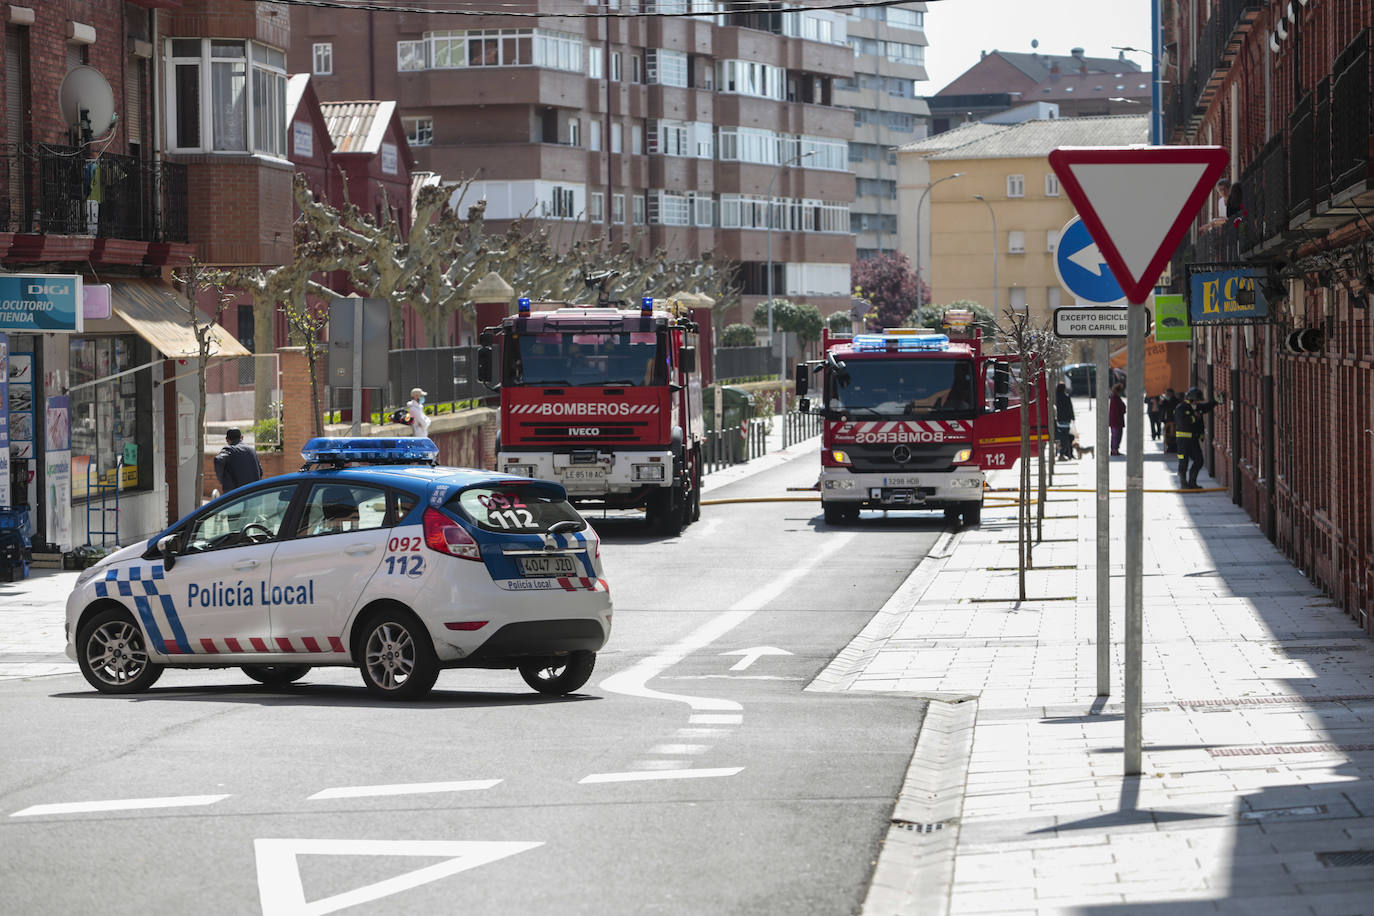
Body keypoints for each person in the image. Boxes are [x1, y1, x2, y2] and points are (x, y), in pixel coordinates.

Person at [1175, 387, 1224, 489]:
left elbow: (1206, 407)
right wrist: (1194, 418)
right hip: (1182, 441)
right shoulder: (1181, 408)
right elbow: (1182, 421)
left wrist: (1216, 401)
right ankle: (1184, 484)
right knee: (1183, 462)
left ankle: (1192, 482)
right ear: (1191, 398)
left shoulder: (1197, 407)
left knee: (1199, 460)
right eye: (1197, 400)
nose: (1197, 402)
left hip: (1193, 441)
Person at [213, 427, 262, 494]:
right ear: (242, 437)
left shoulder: (229, 450)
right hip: (253, 491)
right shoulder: (251, 450)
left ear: (227, 440)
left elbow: (218, 459)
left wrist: (223, 480)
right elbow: (260, 471)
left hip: (236, 494)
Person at [1054, 381, 1075, 460]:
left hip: (1059, 420)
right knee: (1066, 437)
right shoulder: (1066, 397)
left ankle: (1064, 453)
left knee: (1062, 437)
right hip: (1066, 420)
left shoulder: (1056, 397)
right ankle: (1064, 453)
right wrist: (1073, 417)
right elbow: (1070, 408)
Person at [1159, 387, 1180, 452]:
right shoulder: (1165, 401)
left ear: (1171, 394)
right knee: (1167, 434)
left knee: (1173, 434)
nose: (1167, 395)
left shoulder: (1175, 401)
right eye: (1166, 393)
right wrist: (1160, 404)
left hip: (1173, 420)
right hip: (1167, 420)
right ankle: (1169, 446)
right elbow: (1162, 409)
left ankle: (1173, 447)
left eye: (1168, 393)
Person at [1108, 383, 1125, 456]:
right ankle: (1114, 450)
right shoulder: (1115, 398)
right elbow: (1120, 409)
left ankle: (1115, 449)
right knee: (1116, 436)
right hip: (1117, 420)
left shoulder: (1115, 398)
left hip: (1115, 420)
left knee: (1116, 435)